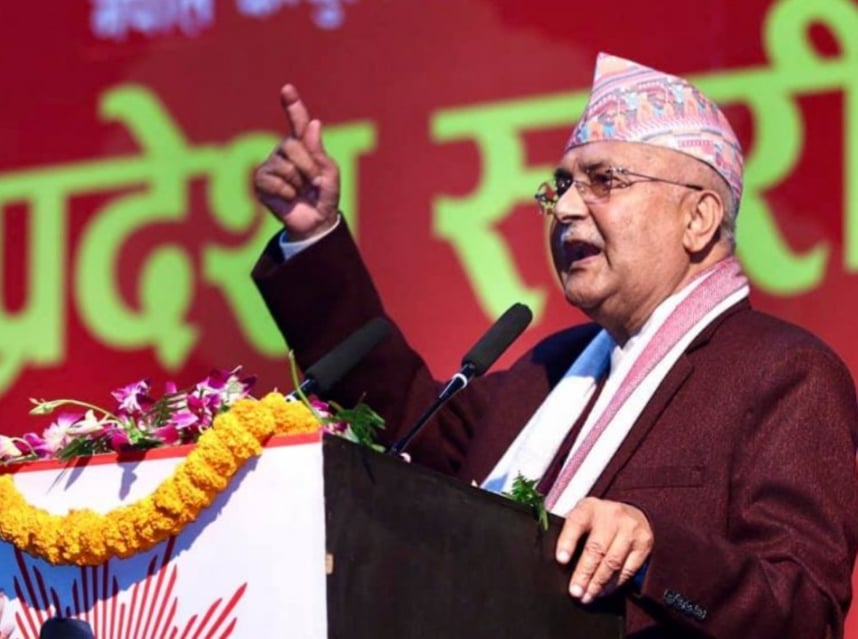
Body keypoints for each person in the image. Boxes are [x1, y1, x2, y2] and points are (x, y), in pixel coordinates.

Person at [251, 53, 858, 637]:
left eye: (604, 181)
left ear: (697, 219)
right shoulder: (554, 367)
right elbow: (406, 423)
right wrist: (314, 239)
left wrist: (655, 549)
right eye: (561, 185)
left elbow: (803, 610)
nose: (565, 208)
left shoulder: (784, 373)